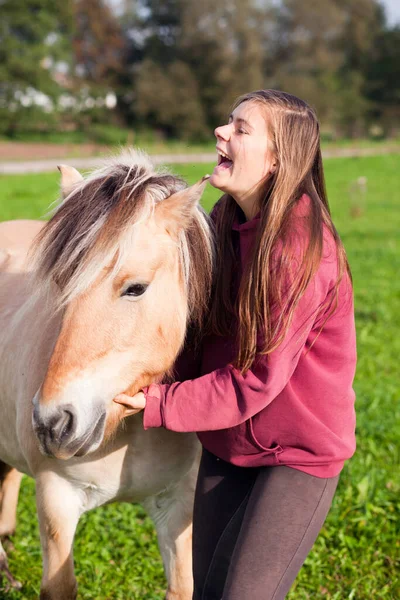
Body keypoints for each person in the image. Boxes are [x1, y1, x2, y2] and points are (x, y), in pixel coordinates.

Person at [114, 89, 357, 600]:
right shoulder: (222, 220)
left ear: (277, 159)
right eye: (227, 122)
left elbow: (256, 380)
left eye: (241, 129)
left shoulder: (299, 252)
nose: (221, 133)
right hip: (227, 442)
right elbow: (196, 326)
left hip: (296, 458)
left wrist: (160, 402)